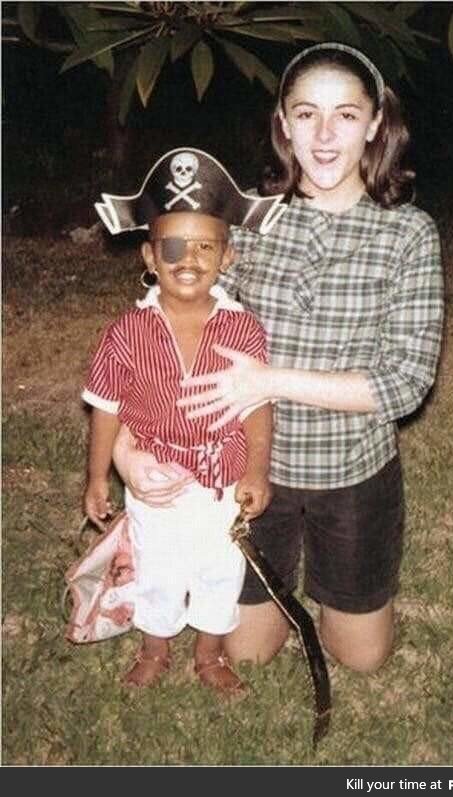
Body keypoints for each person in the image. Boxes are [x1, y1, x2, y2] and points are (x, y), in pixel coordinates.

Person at [114, 43, 444, 674]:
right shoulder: (246, 225)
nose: (324, 136)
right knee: (248, 651)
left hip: (353, 471)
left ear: (375, 124)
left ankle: (344, 590)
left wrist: (267, 380)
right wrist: (130, 447)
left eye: (346, 116)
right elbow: (162, 341)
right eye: (306, 114)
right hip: (245, 473)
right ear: (283, 123)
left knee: (362, 659)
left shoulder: (408, 233)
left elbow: (405, 383)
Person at [82, 149, 285, 690]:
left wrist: (257, 471)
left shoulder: (245, 329)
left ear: (228, 257)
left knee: (220, 569)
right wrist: (98, 476)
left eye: (204, 246)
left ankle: (210, 655)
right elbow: (104, 405)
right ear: (150, 256)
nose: (188, 259)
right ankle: (155, 650)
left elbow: (258, 406)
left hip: (223, 483)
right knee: (160, 568)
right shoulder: (126, 332)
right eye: (173, 247)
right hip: (157, 483)